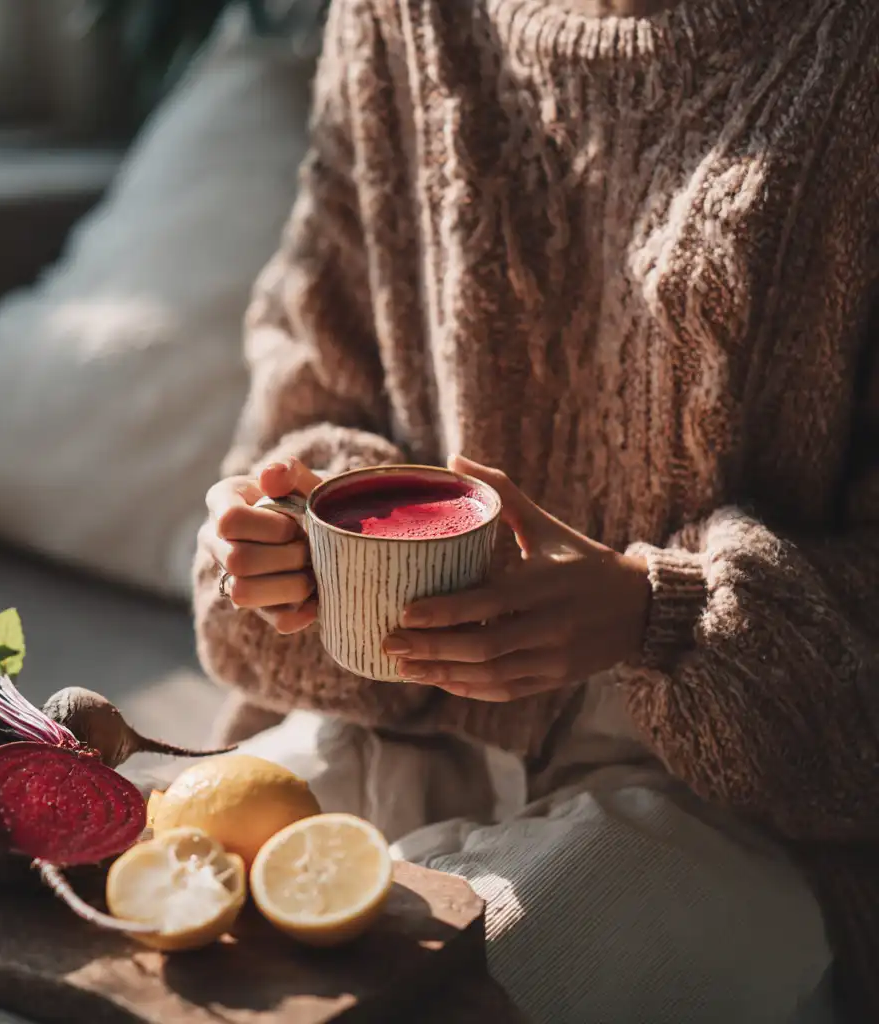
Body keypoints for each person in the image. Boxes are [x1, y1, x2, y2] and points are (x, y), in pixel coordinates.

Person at [194, 1, 879, 1020]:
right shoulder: (399, 18)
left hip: (747, 806)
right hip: (401, 729)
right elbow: (310, 401)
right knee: (151, 947)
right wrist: (292, 540)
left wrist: (667, 614)